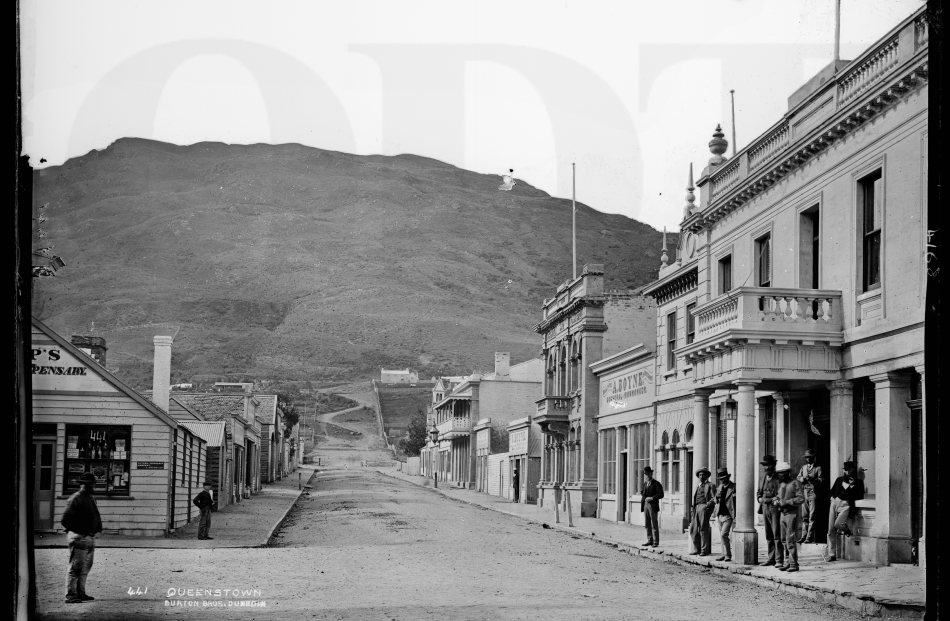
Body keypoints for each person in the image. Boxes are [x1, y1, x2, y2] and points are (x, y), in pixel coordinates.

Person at [61, 472, 103, 604]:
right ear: (82, 485)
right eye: (88, 484)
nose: (91, 486)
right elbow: (65, 520)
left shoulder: (89, 497)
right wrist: (79, 530)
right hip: (80, 536)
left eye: (91, 484)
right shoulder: (76, 498)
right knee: (76, 567)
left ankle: (81, 593)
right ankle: (71, 595)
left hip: (88, 537)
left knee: (85, 567)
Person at [823, 460, 864, 562]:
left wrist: (852, 486)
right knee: (831, 529)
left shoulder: (858, 482)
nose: (847, 472)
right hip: (835, 503)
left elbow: (859, 496)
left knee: (838, 524)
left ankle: (846, 530)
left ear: (853, 469)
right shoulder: (839, 480)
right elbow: (831, 492)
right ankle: (832, 554)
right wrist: (832, 498)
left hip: (846, 505)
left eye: (849, 470)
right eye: (845, 470)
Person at [773, 461, 804, 572]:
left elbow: (801, 499)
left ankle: (794, 564)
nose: (779, 475)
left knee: (790, 539)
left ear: (787, 473)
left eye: (781, 473)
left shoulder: (796, 483)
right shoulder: (781, 484)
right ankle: (787, 562)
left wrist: (786, 502)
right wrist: (775, 500)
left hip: (792, 514)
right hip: (783, 514)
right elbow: (778, 496)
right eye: (779, 473)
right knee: (783, 540)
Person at [756, 455, 783, 567]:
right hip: (764, 508)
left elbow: (779, 495)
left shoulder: (778, 479)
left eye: (769, 465)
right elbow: (758, 493)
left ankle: (779, 560)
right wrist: (759, 498)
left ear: (773, 465)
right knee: (768, 534)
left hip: (774, 509)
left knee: (776, 534)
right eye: (765, 465)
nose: (767, 467)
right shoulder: (762, 478)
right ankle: (771, 558)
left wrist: (770, 499)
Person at [796, 449, 824, 543]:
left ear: (813, 457)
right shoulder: (803, 468)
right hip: (805, 492)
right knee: (804, 516)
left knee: (812, 516)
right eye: (807, 457)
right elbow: (798, 477)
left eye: (810, 457)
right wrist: (802, 479)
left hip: (813, 492)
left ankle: (809, 536)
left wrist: (813, 479)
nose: (808, 459)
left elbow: (822, 480)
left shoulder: (818, 468)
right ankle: (803, 536)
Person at [688, 467, 716, 556]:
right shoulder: (698, 486)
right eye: (700, 475)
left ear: (707, 476)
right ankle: (697, 549)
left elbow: (714, 498)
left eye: (703, 474)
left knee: (703, 529)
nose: (701, 476)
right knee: (694, 529)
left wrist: (707, 505)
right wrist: (692, 508)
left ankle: (704, 550)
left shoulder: (710, 485)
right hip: (696, 508)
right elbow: (695, 498)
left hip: (704, 508)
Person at [713, 467, 735, 562]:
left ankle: (728, 555)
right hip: (720, 514)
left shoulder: (733, 487)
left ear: (728, 477)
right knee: (722, 536)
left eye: (724, 478)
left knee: (723, 535)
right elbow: (715, 499)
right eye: (721, 479)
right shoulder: (720, 488)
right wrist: (716, 499)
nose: (723, 480)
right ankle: (724, 554)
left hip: (729, 514)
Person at [640, 466, 664, 547]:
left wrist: (652, 498)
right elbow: (643, 492)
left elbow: (661, 494)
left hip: (653, 505)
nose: (647, 476)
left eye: (648, 474)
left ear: (651, 474)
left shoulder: (656, 484)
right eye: (645, 474)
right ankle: (649, 540)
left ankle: (655, 541)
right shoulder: (645, 483)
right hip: (645, 505)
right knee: (647, 524)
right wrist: (643, 496)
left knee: (654, 523)